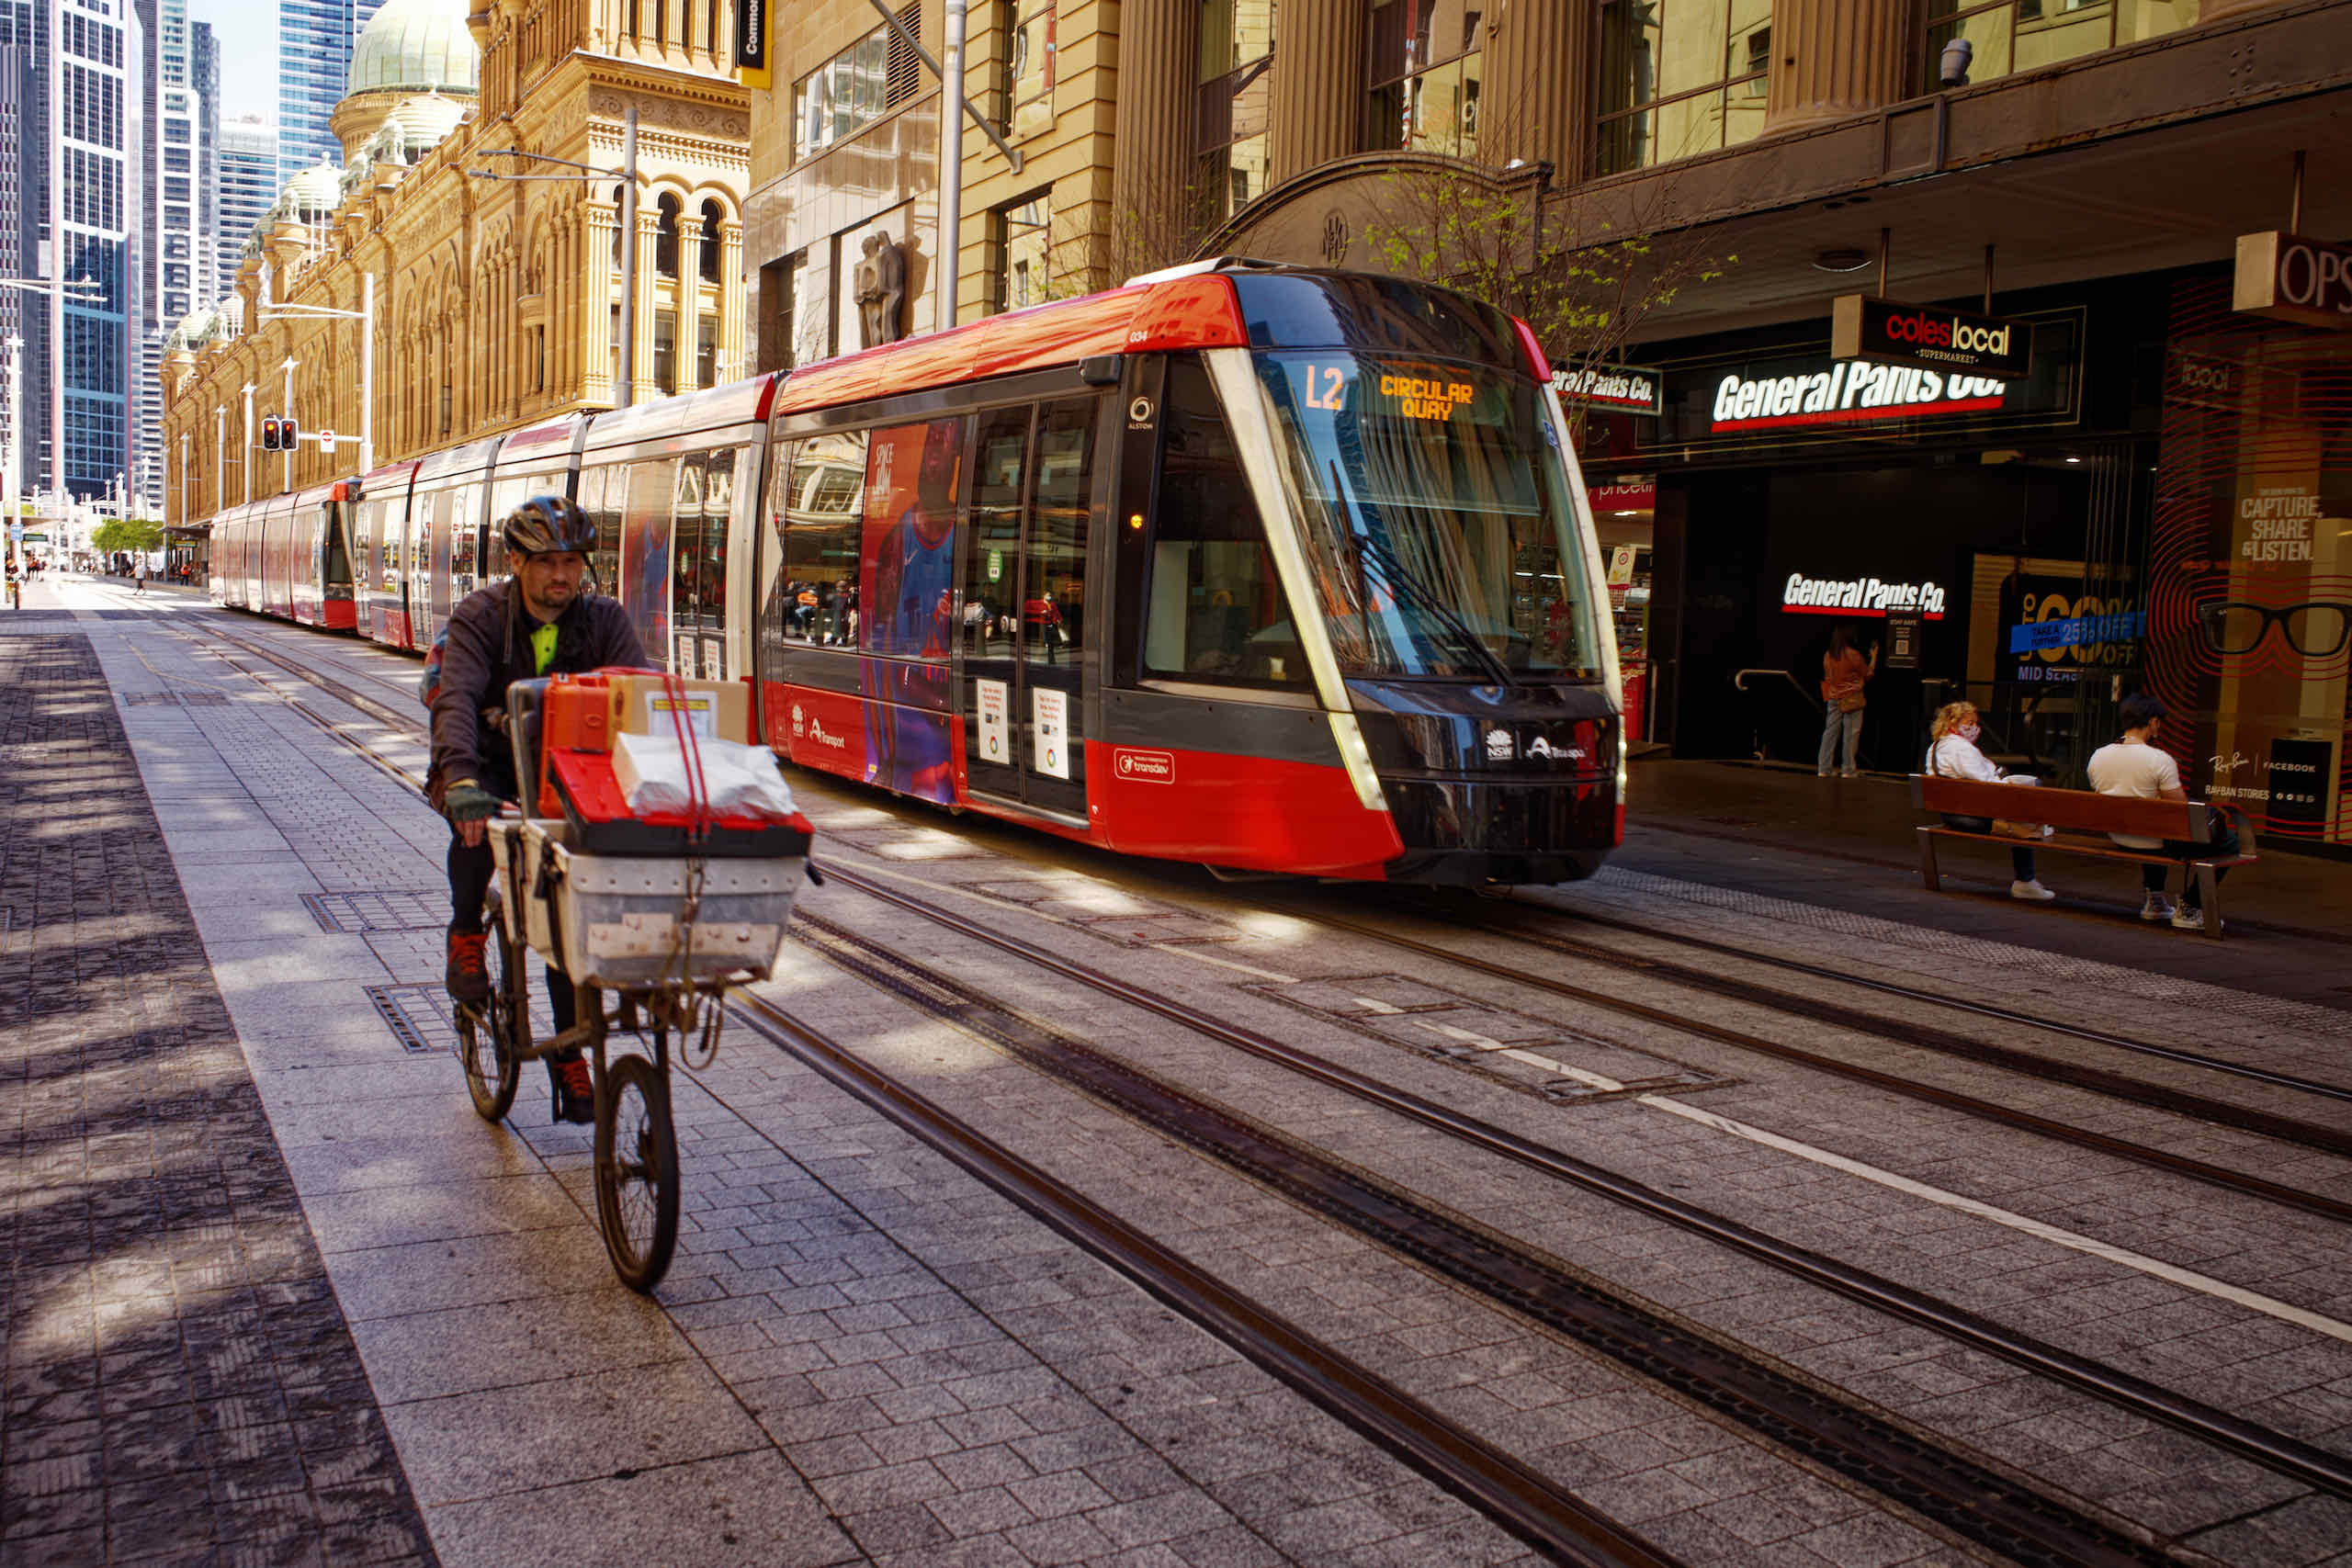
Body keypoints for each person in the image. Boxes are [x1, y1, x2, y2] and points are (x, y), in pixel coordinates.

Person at [429, 496, 648, 1122]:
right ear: (515, 562)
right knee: (476, 827)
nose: (561, 576)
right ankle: (467, 930)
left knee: (562, 901)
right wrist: (461, 775)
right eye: (547, 562)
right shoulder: (481, 617)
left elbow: (640, 696)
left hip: (565, 774)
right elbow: (458, 700)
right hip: (490, 764)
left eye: (572, 562)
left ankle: (570, 1048)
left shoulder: (603, 619)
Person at [2086, 692, 2240, 931]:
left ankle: (2156, 900)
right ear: (2153, 722)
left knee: (2152, 825)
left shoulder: (2098, 756)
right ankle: (2191, 906)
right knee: (2230, 841)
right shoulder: (2159, 759)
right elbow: (2179, 810)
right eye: (2160, 723)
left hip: (2119, 837)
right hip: (2154, 839)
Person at [1925, 702, 2052, 901]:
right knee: (2023, 817)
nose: (1975, 727)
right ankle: (2025, 881)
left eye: (1976, 722)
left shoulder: (1935, 747)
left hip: (1950, 812)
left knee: (2021, 810)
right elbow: (1987, 786)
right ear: (1953, 722)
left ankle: (2027, 877)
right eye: (1970, 722)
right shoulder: (1962, 749)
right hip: (1970, 817)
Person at [1817, 626, 1875, 777]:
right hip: (1852, 698)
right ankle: (1848, 770)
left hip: (1833, 697)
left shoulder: (1828, 655)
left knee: (1829, 733)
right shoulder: (1853, 655)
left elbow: (1828, 678)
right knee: (1851, 734)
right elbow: (1868, 674)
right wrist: (1874, 656)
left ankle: (1824, 768)